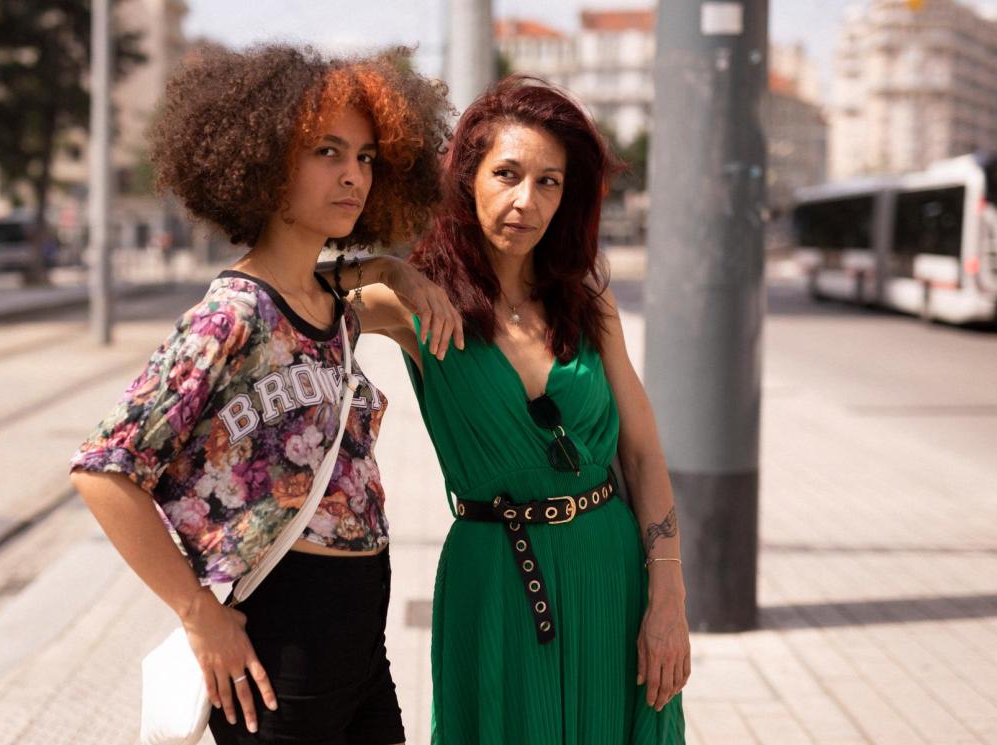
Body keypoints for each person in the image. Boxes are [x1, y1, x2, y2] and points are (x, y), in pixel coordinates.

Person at [67, 45, 458, 745]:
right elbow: (102, 469)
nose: (353, 175)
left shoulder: (331, 303)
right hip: (281, 645)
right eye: (328, 152)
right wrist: (196, 612)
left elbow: (347, 290)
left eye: (367, 157)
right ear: (267, 164)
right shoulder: (233, 315)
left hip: (361, 641)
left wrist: (392, 269)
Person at [350, 76, 690, 743]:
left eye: (549, 182)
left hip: (610, 571)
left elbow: (644, 454)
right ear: (468, 176)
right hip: (496, 579)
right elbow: (284, 292)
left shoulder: (587, 297)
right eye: (506, 174)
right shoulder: (416, 304)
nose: (525, 201)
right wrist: (390, 270)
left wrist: (668, 599)